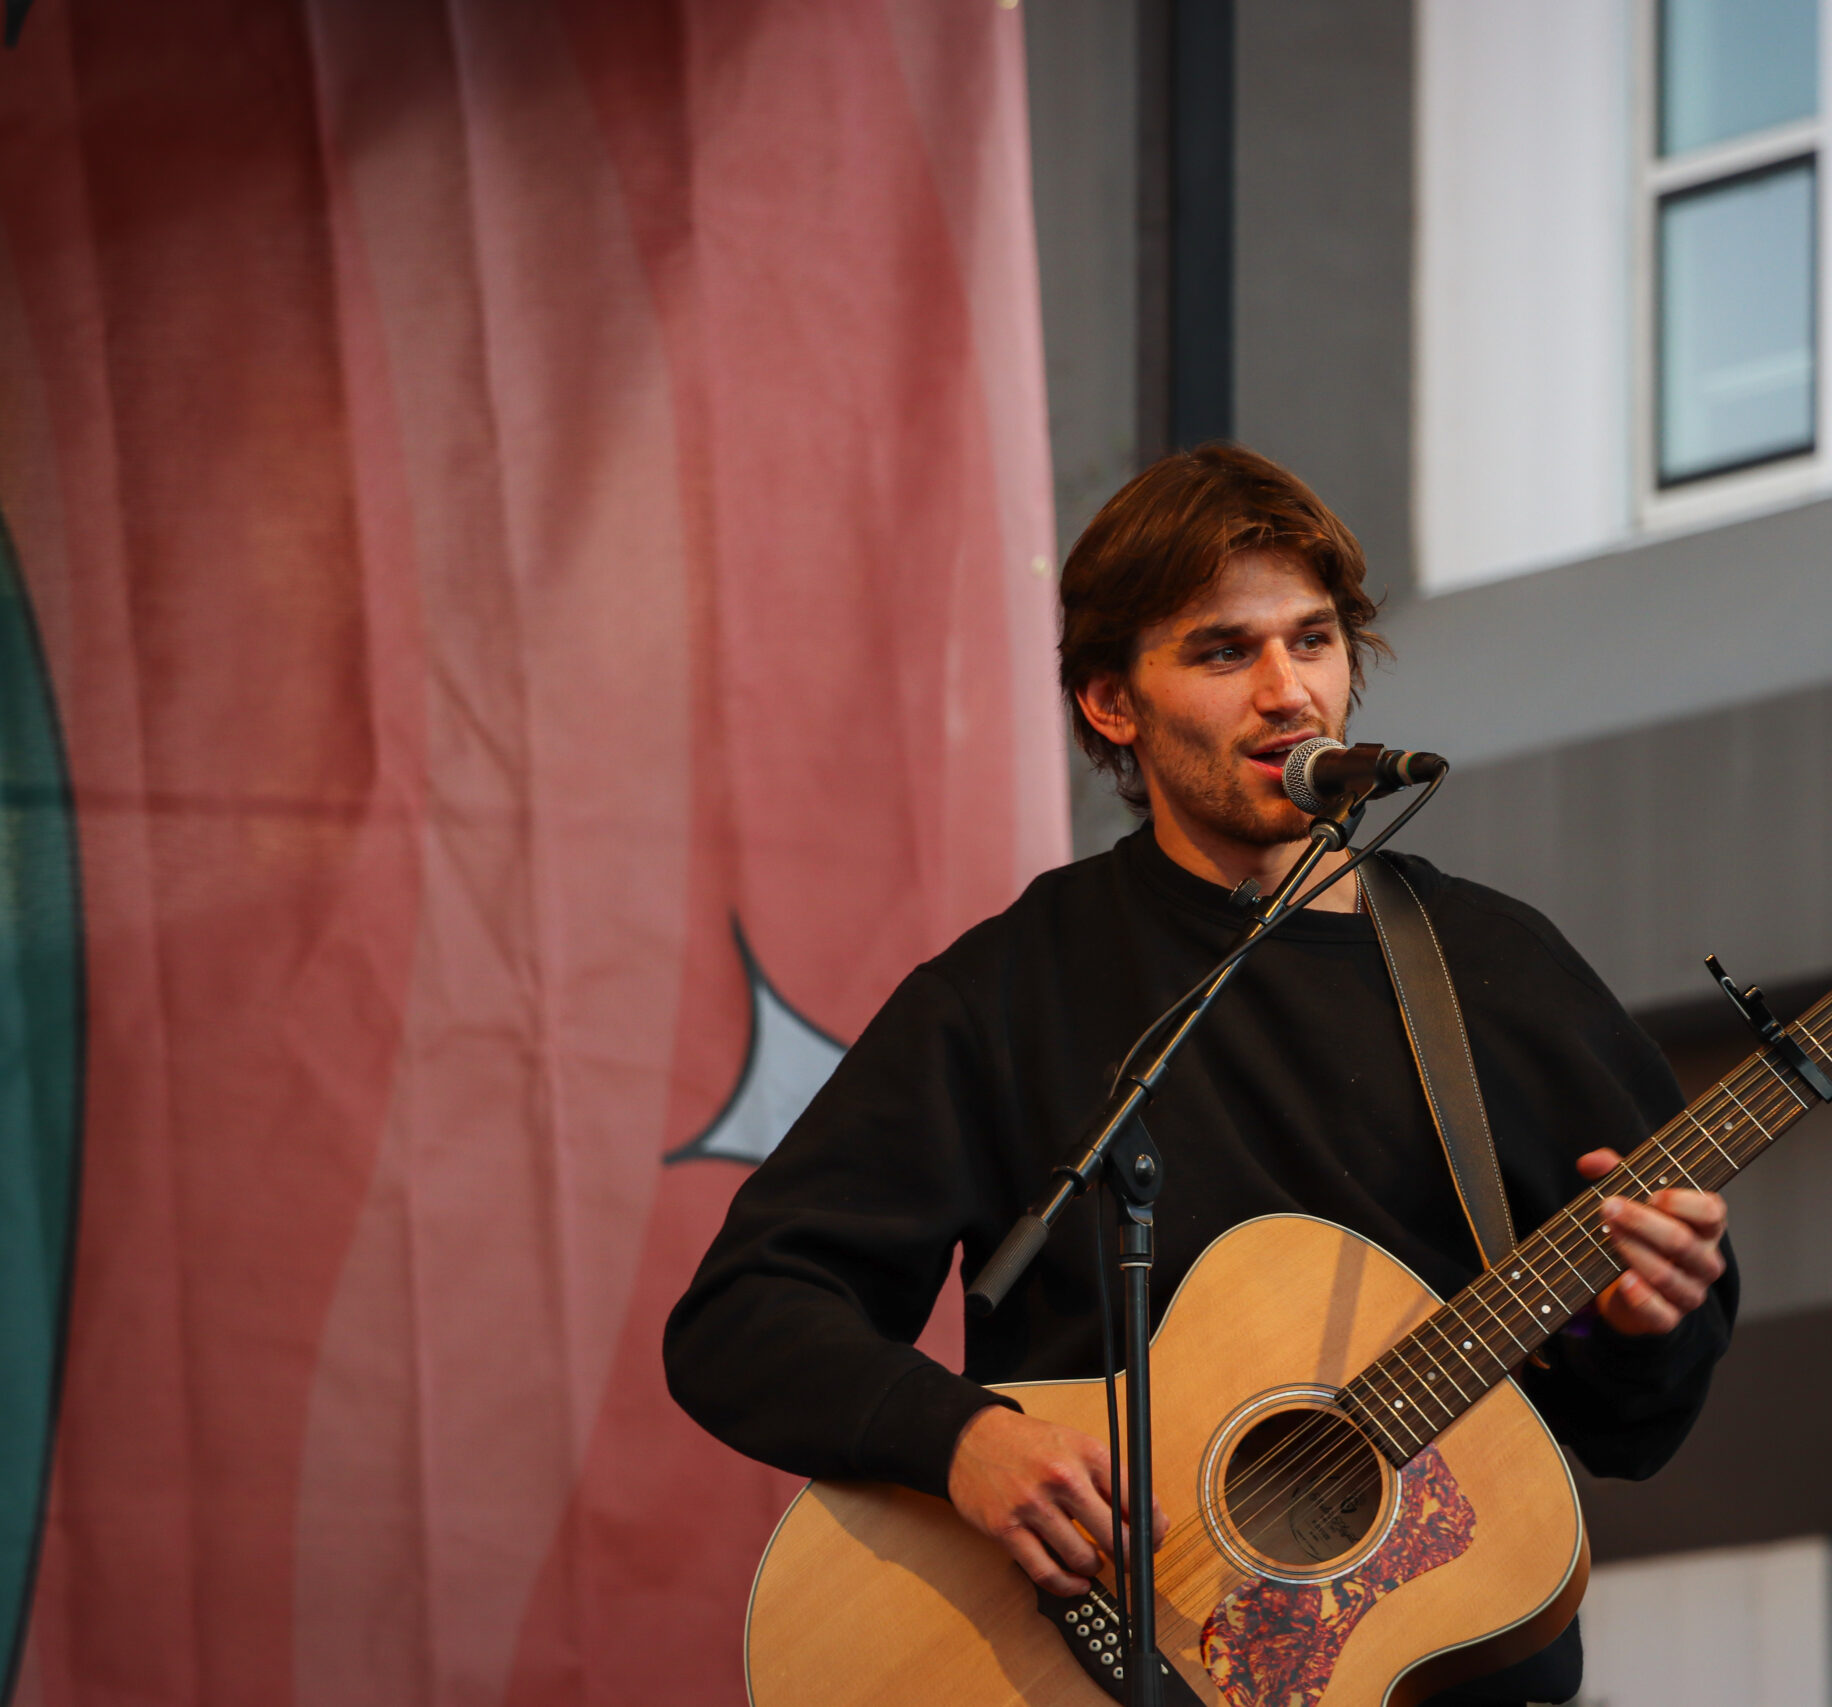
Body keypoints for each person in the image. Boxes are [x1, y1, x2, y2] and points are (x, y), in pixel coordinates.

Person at [664, 444, 1739, 1705]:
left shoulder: (1495, 973)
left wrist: (1637, 1320)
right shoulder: (1012, 990)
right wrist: (963, 1443)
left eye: (1315, 640)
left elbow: (1629, 1434)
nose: (1290, 693)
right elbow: (744, 1319)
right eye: (1225, 652)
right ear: (1114, 703)